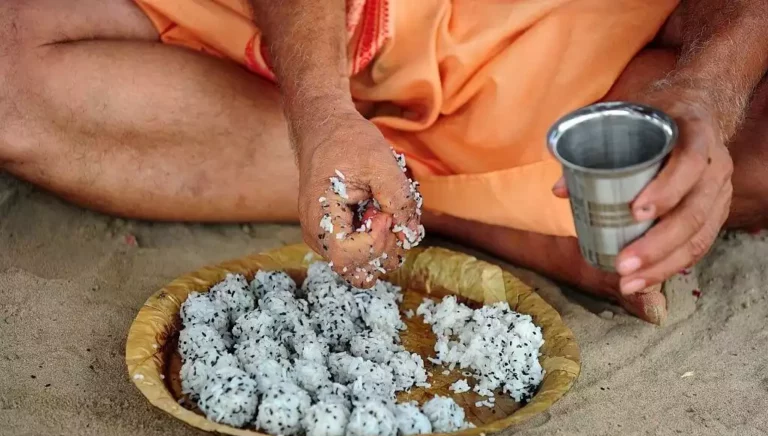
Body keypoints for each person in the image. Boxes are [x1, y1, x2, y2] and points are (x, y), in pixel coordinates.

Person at [1, 0, 766, 324]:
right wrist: (324, 114)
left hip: (567, 44)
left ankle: (397, 185)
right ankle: (474, 211)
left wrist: (706, 91)